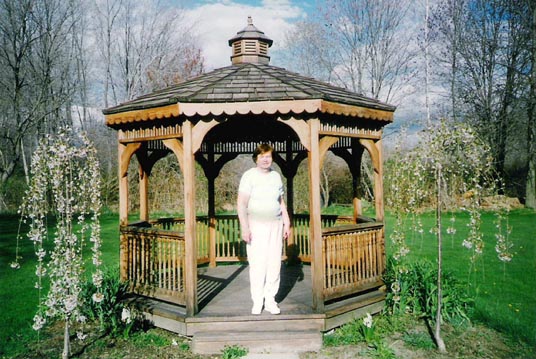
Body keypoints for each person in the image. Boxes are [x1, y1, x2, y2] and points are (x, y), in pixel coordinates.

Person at [237, 143, 291, 315]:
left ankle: (270, 301)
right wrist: (245, 227)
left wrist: (286, 222)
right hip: (256, 226)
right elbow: (241, 203)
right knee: (258, 264)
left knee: (274, 264)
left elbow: (281, 202)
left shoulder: (276, 176)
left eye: (268, 156)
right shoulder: (249, 176)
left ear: (272, 158)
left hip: (275, 225)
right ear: (256, 158)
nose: (265, 160)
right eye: (262, 156)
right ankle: (257, 301)